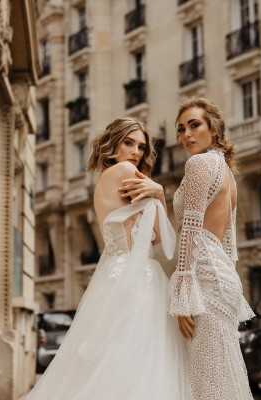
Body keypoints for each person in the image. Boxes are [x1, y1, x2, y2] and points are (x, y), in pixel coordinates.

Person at [25, 117, 191, 400]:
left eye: (141, 146)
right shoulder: (125, 171)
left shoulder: (104, 181)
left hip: (114, 273)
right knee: (140, 361)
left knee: (113, 361)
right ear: (112, 146)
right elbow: (166, 243)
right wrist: (160, 194)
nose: (136, 152)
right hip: (138, 277)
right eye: (128, 143)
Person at [169, 98, 255, 400]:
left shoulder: (199, 164)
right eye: (181, 129)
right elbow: (228, 243)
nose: (186, 135)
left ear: (213, 129)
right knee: (220, 376)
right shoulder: (226, 172)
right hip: (222, 279)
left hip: (203, 279)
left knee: (206, 382)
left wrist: (181, 296)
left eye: (195, 125)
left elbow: (190, 230)